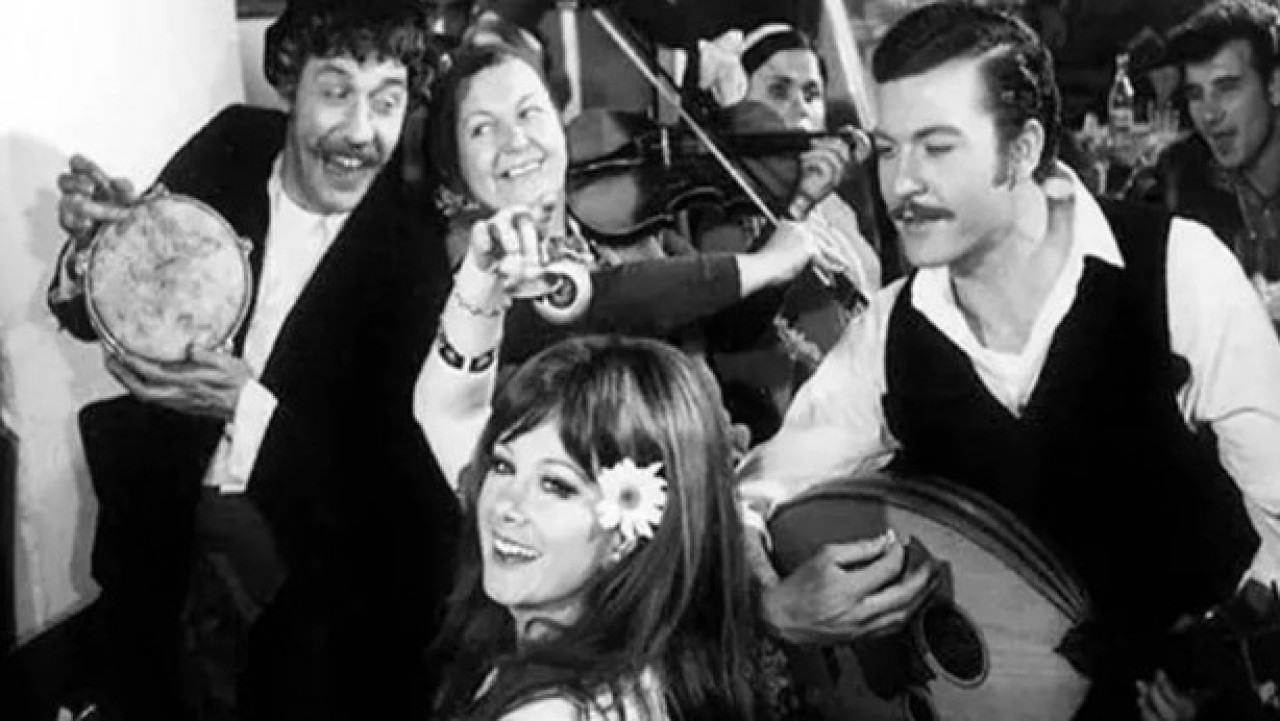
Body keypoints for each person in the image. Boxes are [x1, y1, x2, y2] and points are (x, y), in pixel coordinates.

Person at [737, 3, 1280, 719]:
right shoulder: (890, 329)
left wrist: (1219, 663)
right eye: (890, 150)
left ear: (1022, 150)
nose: (899, 186)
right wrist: (771, 604)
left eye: (937, 148)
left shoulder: (1181, 272)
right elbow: (754, 492)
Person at [47, 2, 460, 719]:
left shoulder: (416, 252)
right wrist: (97, 248)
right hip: (157, 542)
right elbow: (109, 312)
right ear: (290, 83)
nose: (360, 131)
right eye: (336, 91)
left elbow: (384, 495)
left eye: (387, 101)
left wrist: (245, 406)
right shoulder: (231, 145)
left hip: (304, 591)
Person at [424, 39, 849, 370]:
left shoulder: (616, 223)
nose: (516, 140)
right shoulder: (472, 263)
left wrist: (793, 214)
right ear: (456, 164)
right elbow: (603, 302)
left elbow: (726, 330)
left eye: (528, 113)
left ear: (559, 122)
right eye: (482, 129)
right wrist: (761, 265)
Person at [423, 335, 761, 721]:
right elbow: (444, 410)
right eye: (504, 465)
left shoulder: (552, 712)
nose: (506, 506)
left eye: (556, 486)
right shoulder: (637, 659)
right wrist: (484, 296)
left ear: (628, 531)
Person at [695, 22, 888, 440]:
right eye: (779, 91)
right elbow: (735, 329)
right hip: (786, 427)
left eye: (812, 94)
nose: (800, 108)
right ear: (740, 100)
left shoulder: (838, 204)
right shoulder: (725, 204)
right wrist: (797, 206)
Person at [1132, 0, 1280, 320]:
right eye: (1196, 95)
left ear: (1275, 87)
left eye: (1227, 88)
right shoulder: (1174, 180)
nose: (1209, 115)